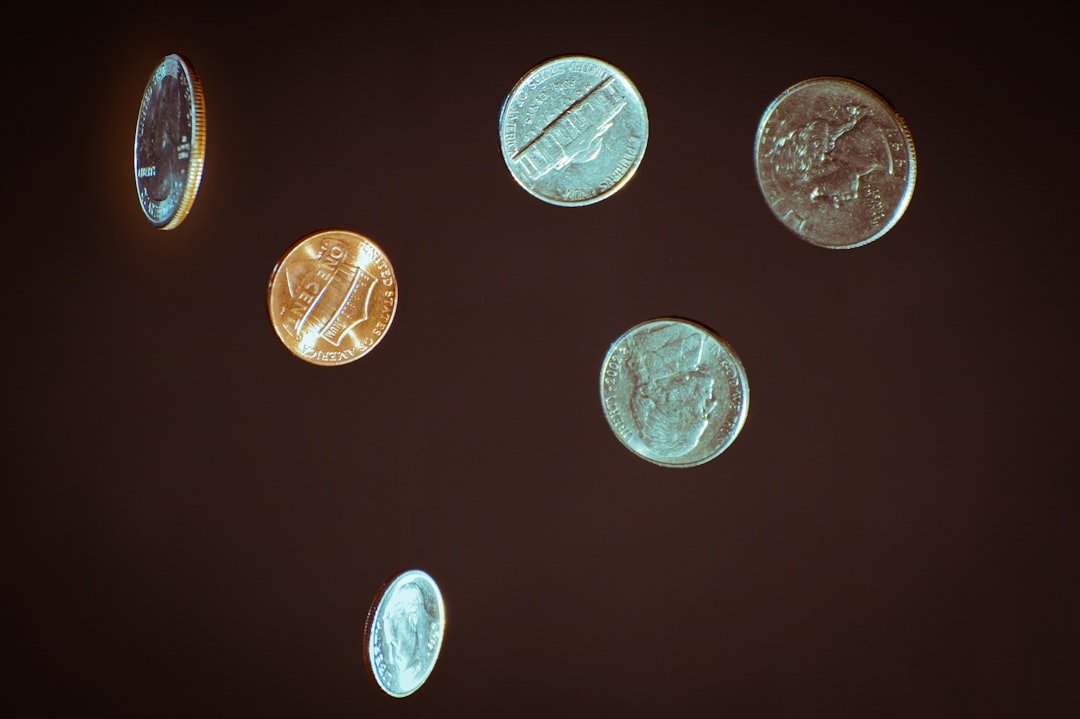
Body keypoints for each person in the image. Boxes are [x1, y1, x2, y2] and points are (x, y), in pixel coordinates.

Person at [628, 326, 719, 458]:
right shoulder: (689, 349)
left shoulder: (654, 348)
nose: (713, 403)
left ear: (673, 406)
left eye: (700, 413)